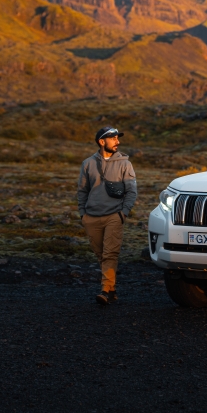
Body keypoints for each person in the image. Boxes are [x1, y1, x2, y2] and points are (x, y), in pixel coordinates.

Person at [77, 126, 138, 305]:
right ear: (102, 142)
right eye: (113, 138)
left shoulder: (125, 163)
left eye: (118, 138)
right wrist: (83, 214)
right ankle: (111, 289)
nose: (118, 142)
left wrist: (123, 213)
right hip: (91, 217)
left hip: (114, 215)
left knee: (110, 253)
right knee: (101, 254)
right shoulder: (87, 163)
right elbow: (82, 191)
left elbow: (131, 191)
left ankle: (104, 289)